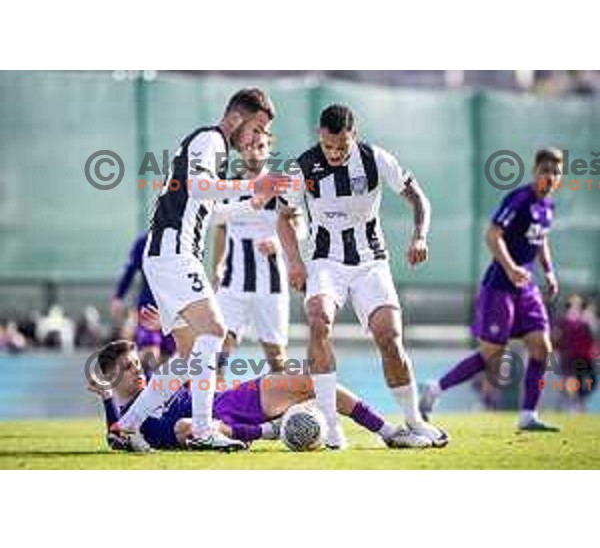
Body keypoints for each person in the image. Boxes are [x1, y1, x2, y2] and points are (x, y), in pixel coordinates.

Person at [111, 88, 285, 452]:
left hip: (167, 255)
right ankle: (204, 430)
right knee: (216, 329)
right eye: (256, 129)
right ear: (238, 119)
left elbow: (208, 209)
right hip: (175, 254)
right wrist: (254, 184)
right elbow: (200, 187)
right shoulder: (211, 141)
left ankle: (125, 426)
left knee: (190, 359)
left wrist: (251, 203)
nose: (257, 140)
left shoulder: (211, 146)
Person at [278, 104, 448, 449]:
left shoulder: (376, 159)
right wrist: (295, 262)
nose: (335, 154)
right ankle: (331, 425)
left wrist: (419, 236)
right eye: (328, 146)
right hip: (325, 262)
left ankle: (415, 420)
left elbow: (419, 199)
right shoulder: (303, 166)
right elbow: (284, 216)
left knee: (390, 337)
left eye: (342, 146)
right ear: (319, 137)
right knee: (318, 320)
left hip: (371, 262)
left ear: (354, 135)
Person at [420, 148, 563, 431]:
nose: (550, 176)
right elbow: (492, 234)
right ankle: (434, 389)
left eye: (556, 172)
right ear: (535, 171)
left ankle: (527, 416)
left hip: (527, 287)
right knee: (492, 354)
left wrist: (548, 271)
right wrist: (510, 267)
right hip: (500, 285)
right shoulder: (520, 199)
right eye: (546, 170)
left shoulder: (548, 207)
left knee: (541, 347)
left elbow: (540, 240)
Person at [88, 338, 432, 450]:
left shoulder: (157, 384)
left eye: (136, 363)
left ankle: (388, 432)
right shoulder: (127, 419)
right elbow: (113, 435)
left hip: (233, 402)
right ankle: (272, 430)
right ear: (109, 376)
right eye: (128, 367)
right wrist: (106, 399)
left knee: (311, 381)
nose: (137, 370)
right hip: (209, 430)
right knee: (187, 426)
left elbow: (190, 360)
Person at [212, 129, 296, 376]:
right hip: (233, 283)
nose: (254, 152)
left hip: (271, 284)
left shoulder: (281, 184)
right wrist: (216, 267)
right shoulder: (228, 186)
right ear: (240, 149)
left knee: (277, 359)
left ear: (269, 146)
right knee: (218, 352)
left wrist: (279, 243)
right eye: (248, 146)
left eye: (260, 146)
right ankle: (213, 411)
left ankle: (282, 414)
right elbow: (220, 229)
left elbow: (298, 226)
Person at [111, 232, 176, 368]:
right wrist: (118, 297)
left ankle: (158, 387)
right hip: (149, 307)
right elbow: (130, 270)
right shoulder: (144, 242)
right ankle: (122, 368)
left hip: (173, 310)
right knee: (150, 353)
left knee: (170, 358)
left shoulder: (182, 241)